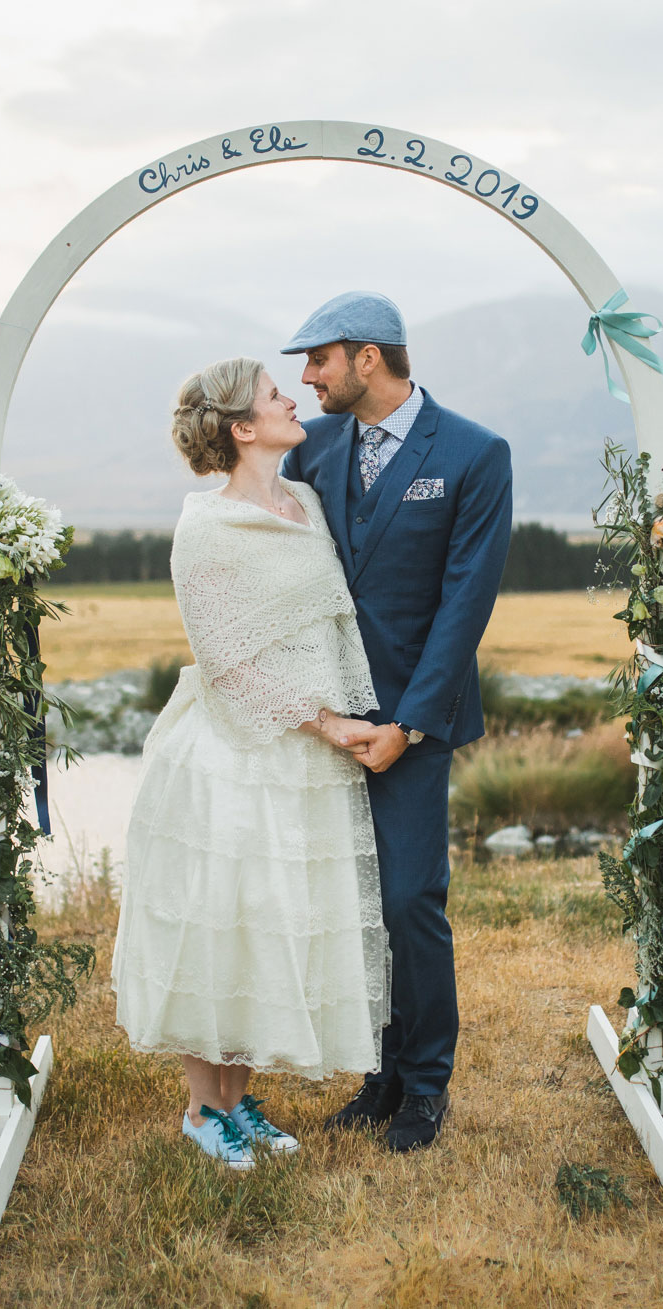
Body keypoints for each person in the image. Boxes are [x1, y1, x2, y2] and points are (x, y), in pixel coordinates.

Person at [111, 356, 394, 1171]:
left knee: (269, 927)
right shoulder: (205, 526)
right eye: (275, 395)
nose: (291, 398)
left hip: (305, 758)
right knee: (221, 926)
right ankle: (204, 1111)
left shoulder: (301, 499)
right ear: (242, 428)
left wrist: (344, 718)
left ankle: (238, 1103)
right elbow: (226, 662)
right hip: (235, 751)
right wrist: (326, 721)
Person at [279, 291, 513, 1153]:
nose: (306, 378)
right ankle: (379, 1072)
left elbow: (465, 604)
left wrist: (407, 726)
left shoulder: (475, 454)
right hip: (328, 716)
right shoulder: (315, 447)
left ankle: (425, 1086)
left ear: (367, 357)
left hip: (415, 719)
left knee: (413, 899)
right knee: (358, 904)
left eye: (318, 360)